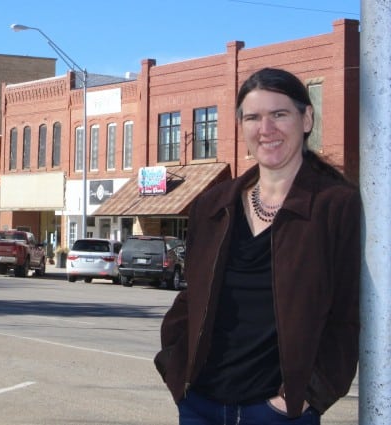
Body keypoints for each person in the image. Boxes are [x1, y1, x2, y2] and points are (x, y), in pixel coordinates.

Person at [154, 67, 360, 424]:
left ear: (306, 118)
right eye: (253, 117)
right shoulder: (214, 205)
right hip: (201, 404)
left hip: (279, 413)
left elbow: (347, 314)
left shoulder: (335, 205)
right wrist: (176, 366)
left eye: (279, 114)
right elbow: (192, 295)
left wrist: (309, 395)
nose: (266, 129)